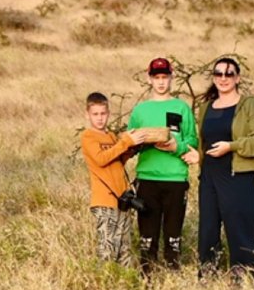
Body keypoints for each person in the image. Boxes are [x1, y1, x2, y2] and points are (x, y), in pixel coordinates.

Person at [182, 57, 254, 282]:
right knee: (208, 226)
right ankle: (208, 274)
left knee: (239, 223)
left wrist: (231, 146)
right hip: (209, 175)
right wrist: (198, 156)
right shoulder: (206, 107)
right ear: (213, 77)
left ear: (237, 78)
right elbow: (206, 142)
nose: (223, 78)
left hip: (236, 174)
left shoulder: (248, 105)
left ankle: (246, 275)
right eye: (218, 74)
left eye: (228, 74)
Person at [127, 57, 198, 274]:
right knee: (147, 233)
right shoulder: (140, 111)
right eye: (156, 77)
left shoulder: (181, 107)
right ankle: (147, 273)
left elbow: (192, 141)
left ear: (171, 78)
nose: (160, 82)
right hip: (148, 177)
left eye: (164, 77)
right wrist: (136, 142)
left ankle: (172, 271)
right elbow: (129, 142)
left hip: (175, 178)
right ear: (149, 79)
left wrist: (176, 146)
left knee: (173, 232)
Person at [81, 92, 149, 267]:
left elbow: (116, 161)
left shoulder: (111, 136)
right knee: (107, 248)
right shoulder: (88, 137)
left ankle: (124, 285)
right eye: (95, 114)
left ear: (108, 113)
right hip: (104, 200)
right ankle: (104, 286)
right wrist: (125, 141)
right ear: (87, 115)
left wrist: (131, 148)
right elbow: (101, 159)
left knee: (124, 248)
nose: (100, 118)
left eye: (103, 114)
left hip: (122, 199)